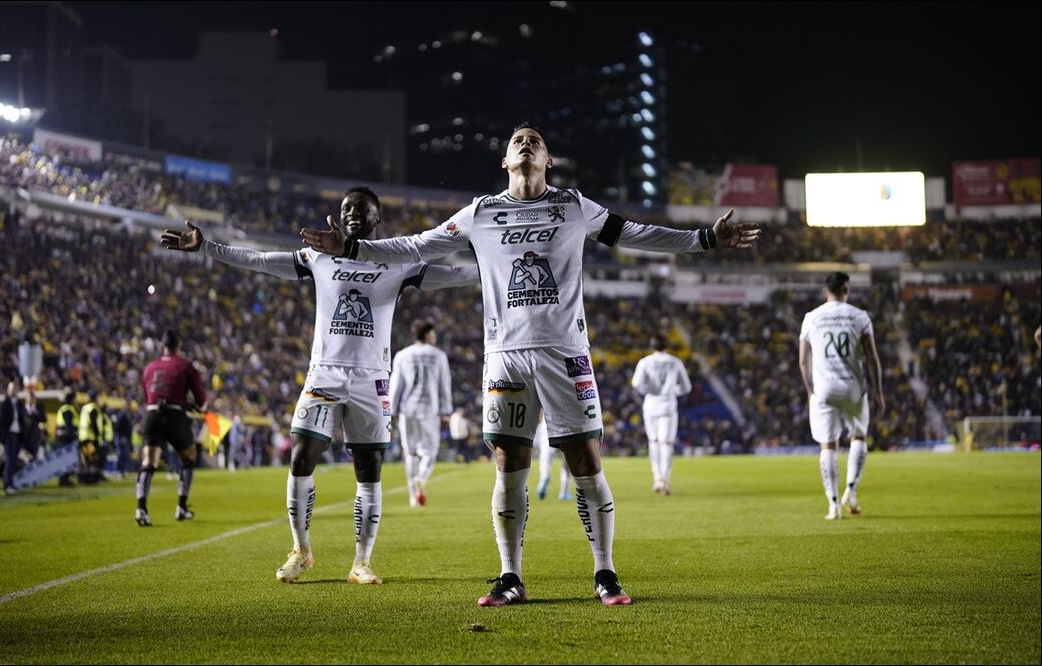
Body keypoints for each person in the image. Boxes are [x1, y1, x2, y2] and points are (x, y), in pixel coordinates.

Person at [300, 122, 760, 606]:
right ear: (504, 161)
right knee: (509, 464)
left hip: (566, 355)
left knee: (585, 461)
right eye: (518, 141)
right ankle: (509, 576)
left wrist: (704, 238)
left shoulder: (572, 206)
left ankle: (605, 572)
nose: (526, 144)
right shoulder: (481, 212)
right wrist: (353, 249)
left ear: (548, 160)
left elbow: (636, 234)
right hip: (505, 359)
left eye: (535, 141)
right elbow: (417, 245)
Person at [161, 185, 478, 585]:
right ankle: (300, 550)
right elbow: (259, 260)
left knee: (369, 470)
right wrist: (208, 247)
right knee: (301, 457)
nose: (353, 214)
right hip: (325, 373)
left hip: (371, 379)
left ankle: (361, 561)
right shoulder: (319, 256)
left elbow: (456, 275)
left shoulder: (400, 262)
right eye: (347, 208)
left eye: (362, 209)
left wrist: (501, 261)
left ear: (377, 218)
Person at [798, 272, 885, 520]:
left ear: (825, 291)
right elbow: (871, 356)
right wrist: (878, 390)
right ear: (846, 289)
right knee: (858, 437)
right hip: (854, 388)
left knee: (828, 444)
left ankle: (833, 505)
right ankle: (851, 491)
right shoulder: (859, 316)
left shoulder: (811, 318)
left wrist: (809, 390)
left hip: (824, 388)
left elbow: (803, 361)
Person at [135, 329, 207, 527]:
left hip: (151, 415)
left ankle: (141, 509)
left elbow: (147, 396)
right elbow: (201, 399)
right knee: (189, 457)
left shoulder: (149, 367)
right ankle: (181, 507)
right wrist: (191, 404)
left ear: (162, 346)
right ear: (179, 346)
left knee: (148, 461)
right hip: (175, 415)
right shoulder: (185, 366)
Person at [390, 319, 453, 508]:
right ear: (427, 334)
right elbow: (444, 384)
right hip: (429, 409)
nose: (435, 336)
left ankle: (412, 497)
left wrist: (391, 410)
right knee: (430, 452)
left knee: (410, 454)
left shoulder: (403, 355)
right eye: (433, 333)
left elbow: (396, 384)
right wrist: (446, 410)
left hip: (407, 409)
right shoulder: (439, 355)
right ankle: (421, 479)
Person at [631, 336, 692, 496]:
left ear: (652, 346)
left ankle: (657, 477)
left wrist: (649, 391)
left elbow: (636, 384)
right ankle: (664, 479)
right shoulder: (675, 362)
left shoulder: (645, 361)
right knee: (666, 443)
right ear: (667, 346)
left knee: (653, 442)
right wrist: (673, 391)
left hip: (650, 404)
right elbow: (686, 387)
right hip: (668, 405)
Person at [0, 381, 27, 494]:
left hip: (17, 434)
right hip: (9, 435)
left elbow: (22, 419)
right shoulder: (5, 403)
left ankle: (11, 483)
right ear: (8, 390)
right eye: (12, 388)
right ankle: (7, 485)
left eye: (16, 388)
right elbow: (1, 421)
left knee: (13, 461)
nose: (14, 390)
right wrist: (4, 436)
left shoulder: (19, 403)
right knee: (9, 461)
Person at [534, 416, 573, 501]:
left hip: (547, 423)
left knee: (545, 458)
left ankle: (544, 477)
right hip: (565, 423)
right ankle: (564, 492)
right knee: (567, 462)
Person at [52, 390, 80, 487]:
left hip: (63, 437)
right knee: (66, 460)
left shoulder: (65, 408)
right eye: (75, 399)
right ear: (72, 399)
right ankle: (64, 480)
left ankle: (64, 479)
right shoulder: (68, 409)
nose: (76, 401)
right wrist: (74, 438)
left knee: (66, 460)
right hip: (66, 438)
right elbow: (69, 426)